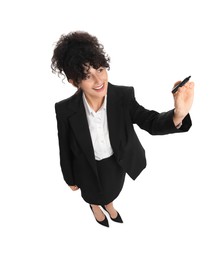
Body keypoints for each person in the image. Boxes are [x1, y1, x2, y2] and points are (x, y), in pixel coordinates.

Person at [51, 31, 194, 227]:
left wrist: (178, 114)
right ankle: (94, 206)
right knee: (92, 193)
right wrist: (69, 177)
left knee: (110, 190)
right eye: (87, 75)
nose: (98, 80)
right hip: (85, 167)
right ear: (74, 81)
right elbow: (64, 146)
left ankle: (109, 205)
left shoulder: (123, 97)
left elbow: (150, 121)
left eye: (100, 69)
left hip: (114, 163)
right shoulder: (64, 109)